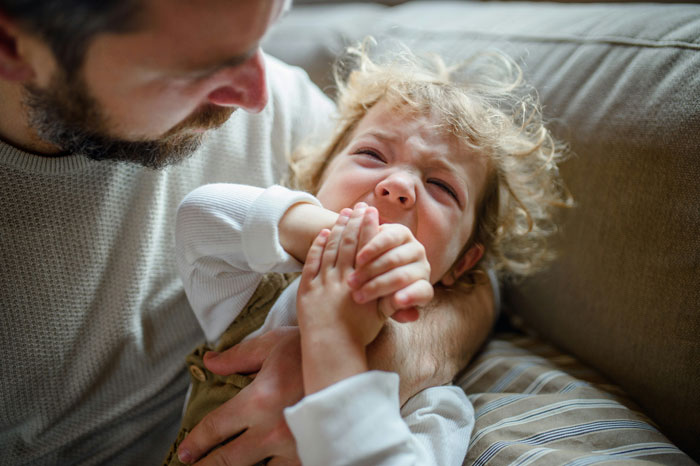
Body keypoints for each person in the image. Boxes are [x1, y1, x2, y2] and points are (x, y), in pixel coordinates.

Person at [0, 1, 498, 465]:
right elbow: (202, 219)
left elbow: (491, 278)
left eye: (267, 28)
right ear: (12, 43)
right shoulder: (258, 289)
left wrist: (358, 353)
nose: (257, 99)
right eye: (196, 64)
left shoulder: (293, 113)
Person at [170, 45, 570, 465]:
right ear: (314, 183)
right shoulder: (255, 289)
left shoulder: (433, 405)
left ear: (463, 263)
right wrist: (332, 236)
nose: (398, 185)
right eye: (372, 155)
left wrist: (334, 342)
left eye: (442, 187)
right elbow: (200, 217)